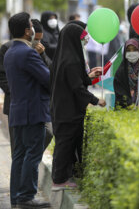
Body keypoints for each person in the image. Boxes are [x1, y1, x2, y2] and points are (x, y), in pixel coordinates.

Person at [50, 22, 106, 189]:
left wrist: (90, 76)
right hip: (68, 111)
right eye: (82, 37)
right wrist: (96, 100)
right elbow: (77, 88)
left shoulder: (63, 57)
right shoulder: (72, 61)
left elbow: (75, 81)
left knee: (66, 143)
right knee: (64, 145)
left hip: (62, 108)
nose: (85, 40)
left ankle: (63, 177)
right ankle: (59, 180)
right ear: (74, 38)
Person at [4, 12, 51, 208]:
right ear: (26, 31)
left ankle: (17, 197)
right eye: (31, 26)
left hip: (18, 110)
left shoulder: (9, 52)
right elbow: (48, 79)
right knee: (33, 154)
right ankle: (27, 196)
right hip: (33, 111)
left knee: (19, 155)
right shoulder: (29, 52)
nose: (33, 29)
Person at [114, 38, 139, 108]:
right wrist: (130, 105)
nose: (132, 53)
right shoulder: (121, 72)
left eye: (134, 50)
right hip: (125, 110)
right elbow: (120, 93)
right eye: (128, 50)